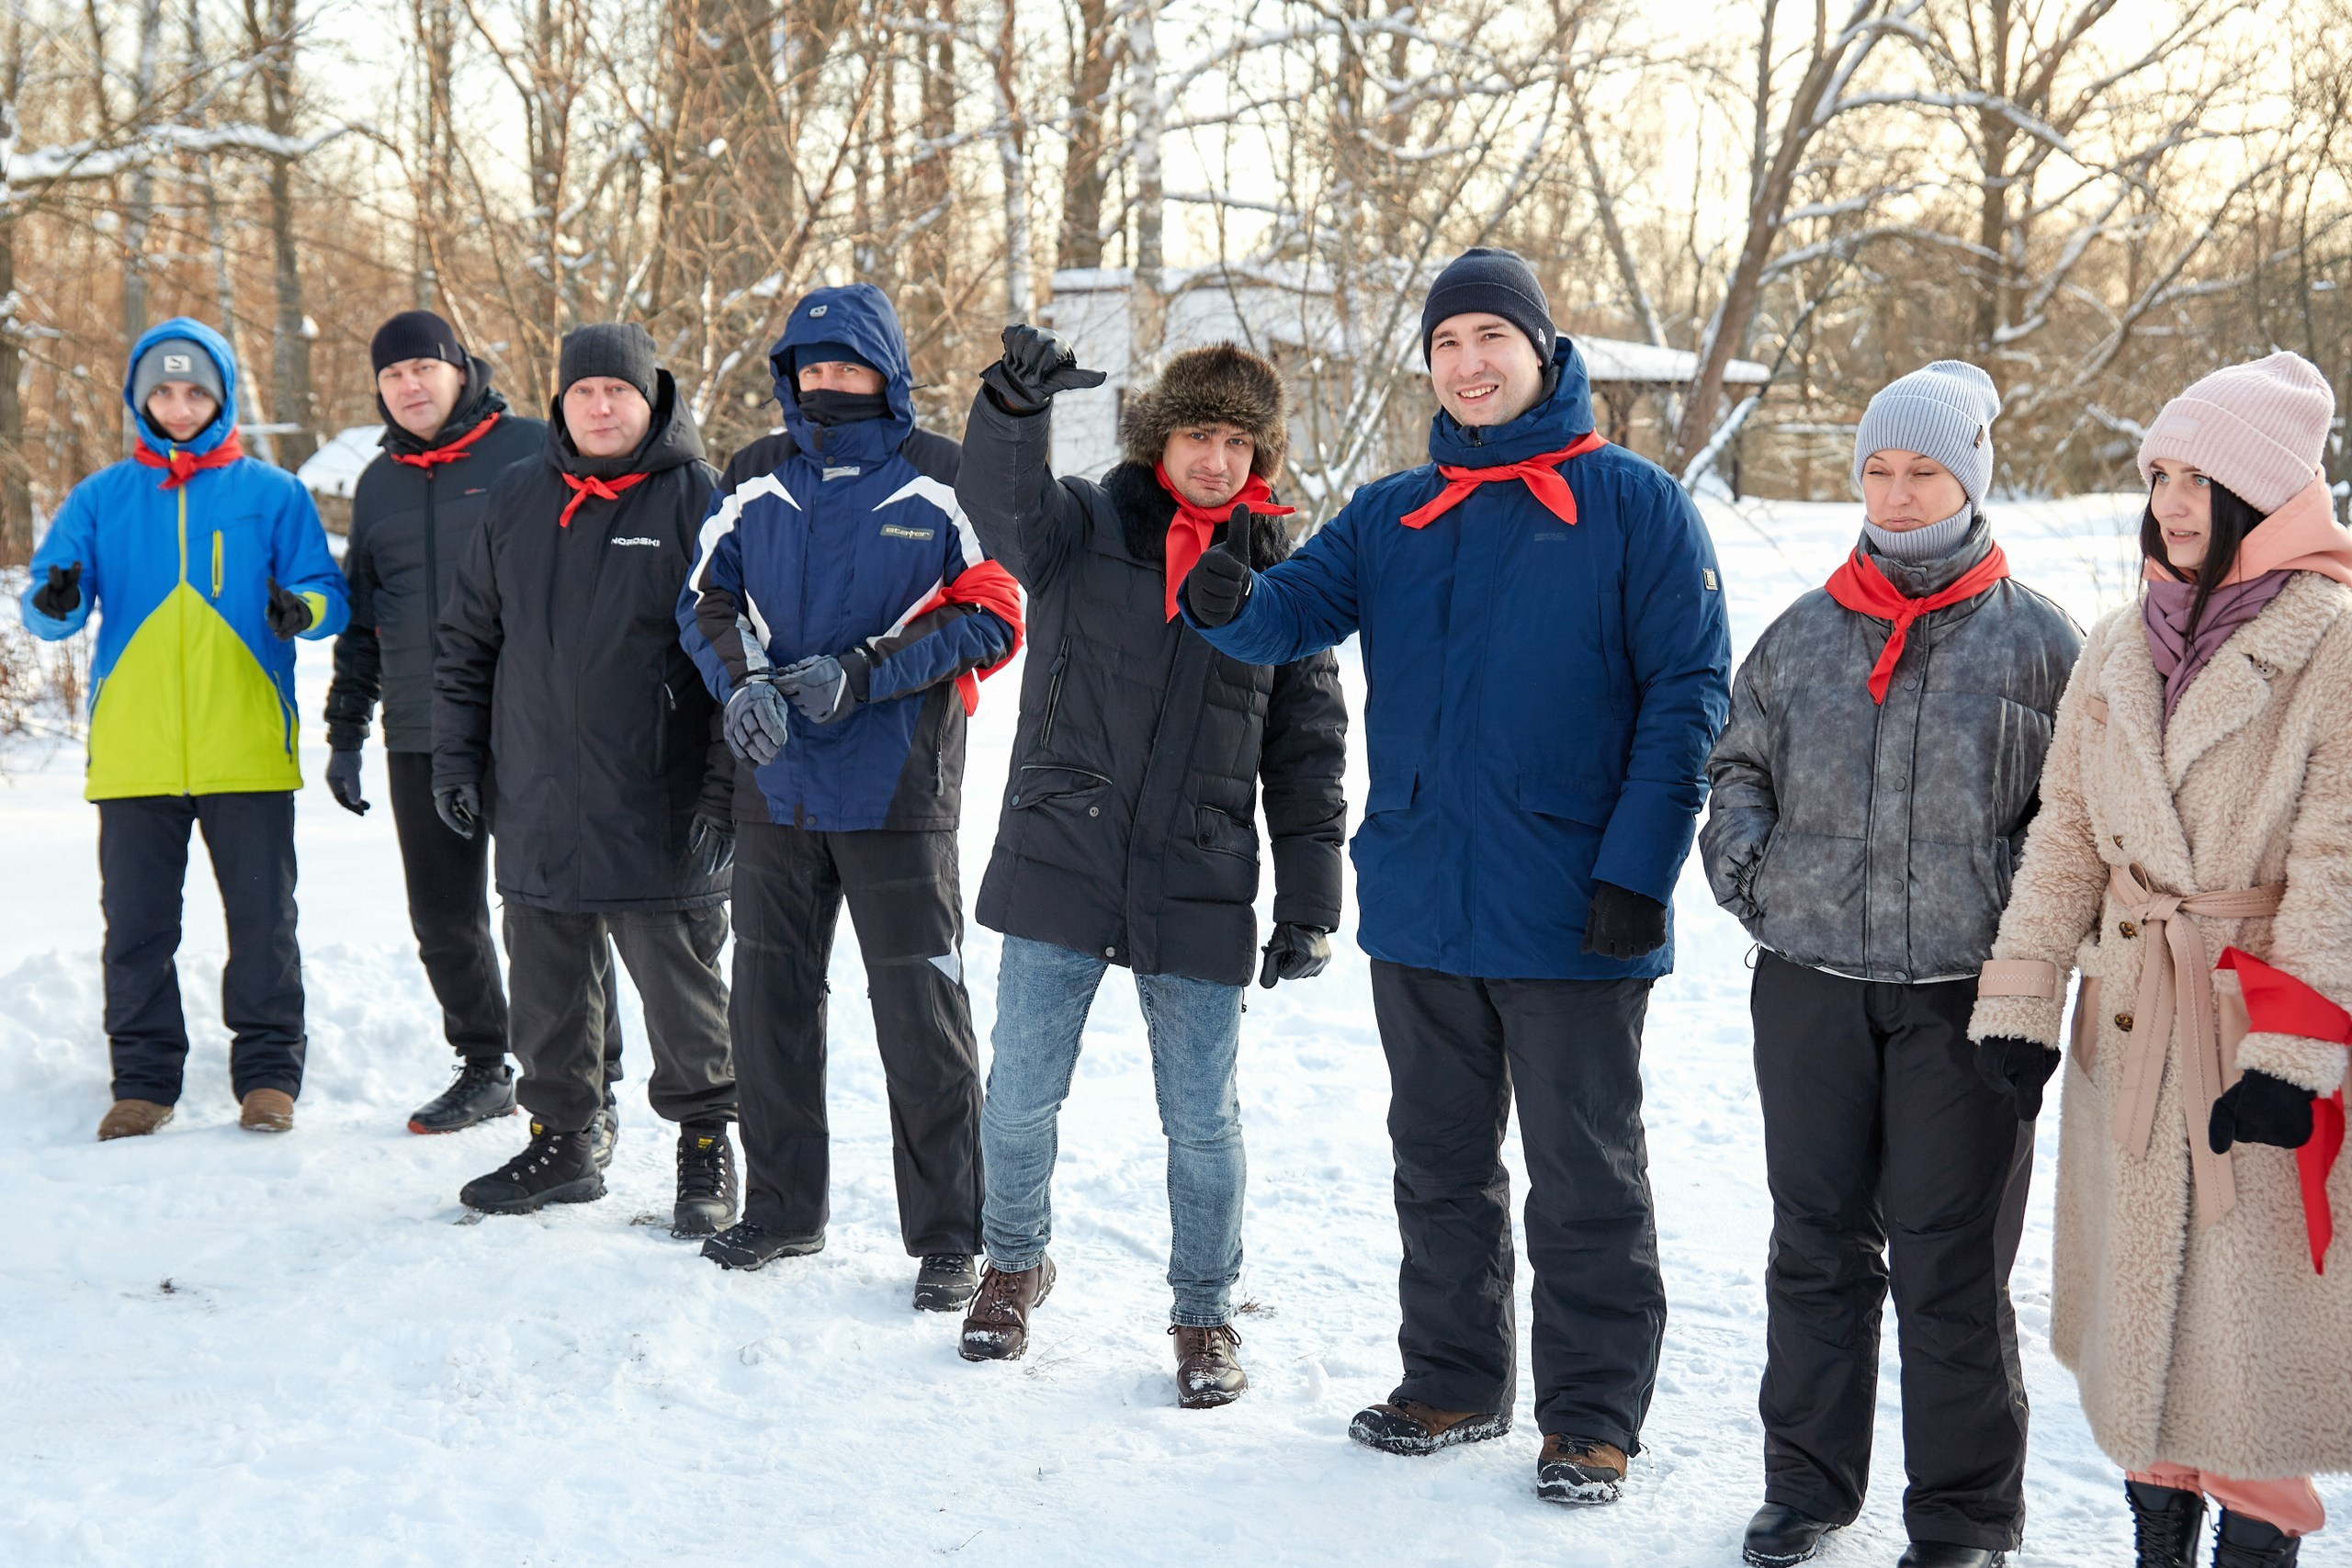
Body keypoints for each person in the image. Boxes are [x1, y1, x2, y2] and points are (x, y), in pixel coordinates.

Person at [1182, 249, 1730, 1500]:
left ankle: (1591, 1411)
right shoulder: (1393, 512)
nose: (1469, 363)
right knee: (1438, 1161)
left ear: (1542, 350)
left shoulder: (1637, 505)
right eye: (1446, 344)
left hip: (1577, 909)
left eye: (1492, 337)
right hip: (1423, 898)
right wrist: (1224, 590)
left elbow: (1692, 694)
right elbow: (1285, 614)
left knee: (1586, 1174)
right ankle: (1454, 1376)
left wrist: (1640, 867)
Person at [1971, 352, 2352, 1568]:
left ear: (2271, 493)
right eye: (2160, 476)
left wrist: (2296, 1059)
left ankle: (2255, 1544)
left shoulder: (2334, 648)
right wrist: (2021, 1001)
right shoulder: (2115, 643)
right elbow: (2067, 836)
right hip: (2131, 1024)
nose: (2174, 501)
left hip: (2258, 1033)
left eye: (2205, 478)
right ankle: (2155, 1541)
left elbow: (2343, 865)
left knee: (2250, 1345)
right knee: (2144, 1329)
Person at [1701, 362, 2083, 1568]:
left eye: (1925, 470)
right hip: (1811, 984)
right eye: (1881, 468)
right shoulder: (1806, 631)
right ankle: (1807, 1482)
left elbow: (2070, 822)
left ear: (1969, 479)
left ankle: (1964, 1514)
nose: (1901, 492)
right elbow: (1736, 770)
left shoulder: (2037, 643)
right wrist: (1756, 879)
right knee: (1814, 1242)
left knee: (1948, 1257)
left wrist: (2012, 930)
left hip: (1963, 999)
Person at [949, 329, 1348, 1404]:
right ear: (1157, 438)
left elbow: (1308, 752)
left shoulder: (1284, 580)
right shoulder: (1086, 523)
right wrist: (1010, 412)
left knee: (1202, 1122)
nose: (1216, 459)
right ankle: (1014, 1263)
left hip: (1200, 867)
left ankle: (1204, 1314)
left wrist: (1312, 899)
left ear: (1260, 455)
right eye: (1196, 434)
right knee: (1022, 1095)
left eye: (1237, 441)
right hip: (1062, 847)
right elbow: (999, 510)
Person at [676, 284, 1018, 1310]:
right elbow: (705, 598)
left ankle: (951, 1235)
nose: (827, 384)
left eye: (846, 366)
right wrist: (737, 685)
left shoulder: (943, 481)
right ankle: (783, 1209)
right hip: (773, 792)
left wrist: (865, 671)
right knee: (768, 1009)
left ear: (886, 370)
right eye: (810, 367)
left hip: (898, 793)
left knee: (922, 1019)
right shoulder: (751, 476)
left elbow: (996, 612)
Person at [434, 322, 740, 1235]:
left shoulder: (698, 499)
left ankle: (704, 1146)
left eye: (620, 392)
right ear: (559, 402)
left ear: (653, 402)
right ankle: (564, 1139)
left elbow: (738, 656)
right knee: (548, 989)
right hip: (533, 795)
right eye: (584, 392)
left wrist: (725, 789)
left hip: (660, 799)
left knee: (683, 994)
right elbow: (467, 644)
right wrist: (456, 758)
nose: (601, 406)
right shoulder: (519, 496)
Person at [19, 318, 347, 1138]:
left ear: (221, 395)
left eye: (193, 389)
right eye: (161, 391)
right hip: (136, 753)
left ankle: (269, 1076)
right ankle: (143, 1082)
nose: (177, 405)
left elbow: (327, 594)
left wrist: (298, 607)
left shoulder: (273, 494)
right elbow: (47, 601)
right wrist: (52, 601)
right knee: (136, 929)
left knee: (264, 923)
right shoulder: (100, 497)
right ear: (140, 398)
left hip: (244, 745)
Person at [323, 310, 626, 1141]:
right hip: (420, 726)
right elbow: (362, 622)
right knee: (443, 913)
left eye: (423, 367)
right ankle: (485, 1063)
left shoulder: (533, 448)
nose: (409, 386)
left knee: (556, 908)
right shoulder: (378, 481)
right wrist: (347, 731)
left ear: (461, 369)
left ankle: (592, 1075)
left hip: (530, 724)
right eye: (391, 376)